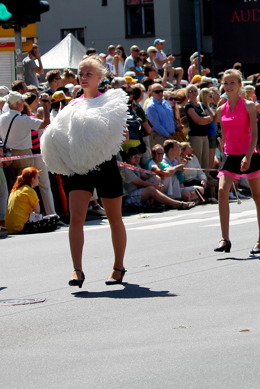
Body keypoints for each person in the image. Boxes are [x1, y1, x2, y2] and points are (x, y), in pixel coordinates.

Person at [40, 57, 130, 288]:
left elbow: (125, 137)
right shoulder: (71, 107)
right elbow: (58, 137)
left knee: (114, 218)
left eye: (88, 73)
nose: (83, 77)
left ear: (100, 77)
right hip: (78, 168)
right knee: (76, 217)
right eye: (81, 73)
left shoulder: (110, 103)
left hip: (106, 165)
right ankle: (77, 270)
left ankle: (118, 267)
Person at [214, 69, 260, 254]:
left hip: (247, 153)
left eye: (232, 83)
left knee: (257, 195)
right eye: (225, 83)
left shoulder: (249, 106)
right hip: (230, 154)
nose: (228, 86)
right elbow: (222, 133)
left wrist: (248, 156)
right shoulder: (221, 109)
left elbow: (254, 133)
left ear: (239, 85)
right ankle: (225, 239)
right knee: (222, 191)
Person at [121, 147, 195, 211]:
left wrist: (158, 178)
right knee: (151, 188)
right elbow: (140, 182)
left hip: (141, 193)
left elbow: (146, 176)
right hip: (130, 197)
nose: (137, 159)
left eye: (138, 157)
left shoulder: (136, 165)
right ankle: (177, 204)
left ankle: (156, 204)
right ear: (128, 157)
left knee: (156, 179)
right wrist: (154, 185)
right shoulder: (126, 168)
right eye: (134, 157)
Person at [6, 167, 61, 234]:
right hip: (21, 227)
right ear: (32, 179)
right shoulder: (29, 191)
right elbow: (37, 211)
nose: (39, 180)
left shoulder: (15, 190)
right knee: (54, 218)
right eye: (38, 178)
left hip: (10, 228)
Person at [184, 84, 214, 171]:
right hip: (195, 136)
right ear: (187, 94)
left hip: (205, 135)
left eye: (195, 90)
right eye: (191, 91)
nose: (193, 93)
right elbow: (198, 120)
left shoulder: (201, 105)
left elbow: (212, 117)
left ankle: (206, 178)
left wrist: (206, 119)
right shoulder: (189, 106)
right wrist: (207, 119)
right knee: (197, 159)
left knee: (206, 160)